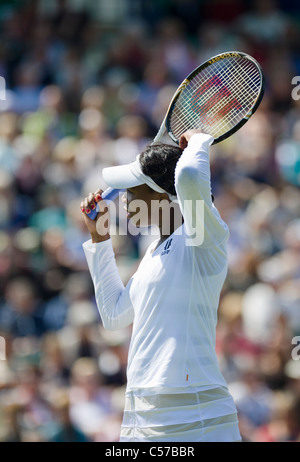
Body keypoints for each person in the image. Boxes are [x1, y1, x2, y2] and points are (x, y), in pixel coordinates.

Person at [80, 129, 242, 442]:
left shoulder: (201, 238)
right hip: (143, 420)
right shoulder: (153, 252)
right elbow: (114, 315)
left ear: (161, 194)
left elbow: (192, 177)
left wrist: (198, 141)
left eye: (132, 189)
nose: (124, 199)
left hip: (197, 421)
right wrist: (99, 237)